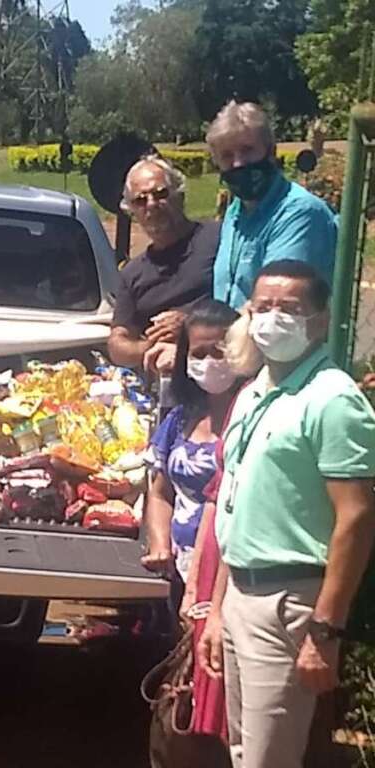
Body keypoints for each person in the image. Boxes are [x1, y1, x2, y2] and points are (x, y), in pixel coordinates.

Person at [198, 260, 375, 768]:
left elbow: (357, 518)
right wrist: (217, 610)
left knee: (268, 760)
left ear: (319, 321)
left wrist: (325, 630)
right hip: (240, 595)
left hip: (289, 602)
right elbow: (238, 505)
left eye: (290, 309)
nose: (273, 319)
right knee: (240, 751)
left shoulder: (333, 400)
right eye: (264, 306)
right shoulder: (256, 390)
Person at [141, 300, 242, 588]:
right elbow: (160, 493)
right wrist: (160, 546)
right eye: (198, 354)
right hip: (181, 570)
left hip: (229, 575)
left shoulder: (253, 420)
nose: (209, 361)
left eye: (218, 352)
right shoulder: (179, 420)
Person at [207, 102, 338, 310]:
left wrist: (208, 335)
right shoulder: (235, 213)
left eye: (247, 150)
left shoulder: (300, 213)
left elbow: (274, 309)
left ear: (271, 151)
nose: (238, 163)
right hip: (232, 340)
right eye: (227, 156)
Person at [110, 156, 220, 374]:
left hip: (219, 372)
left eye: (160, 194)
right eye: (140, 201)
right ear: (132, 211)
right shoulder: (132, 273)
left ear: (179, 195)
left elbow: (244, 303)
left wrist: (191, 326)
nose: (151, 205)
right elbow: (117, 345)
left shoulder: (219, 239)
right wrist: (153, 347)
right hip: (164, 385)